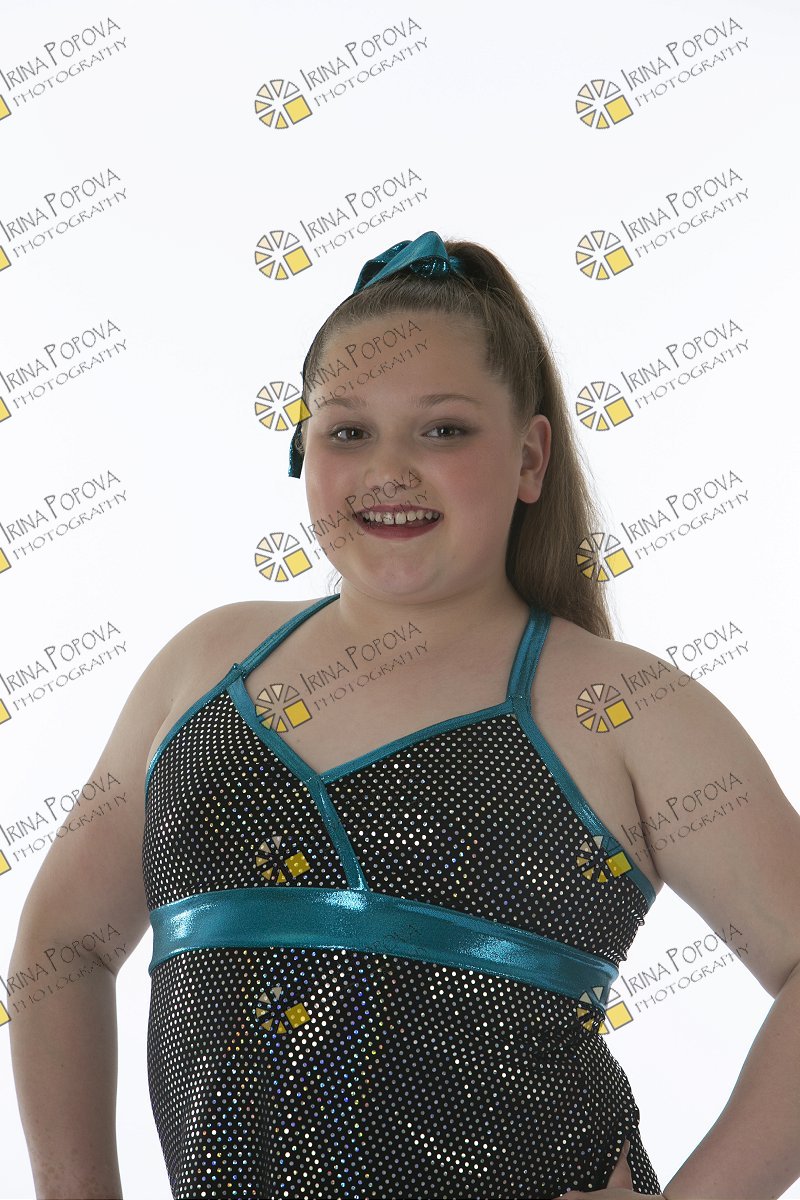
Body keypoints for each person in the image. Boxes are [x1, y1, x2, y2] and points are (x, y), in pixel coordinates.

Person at [8, 232, 800, 1200]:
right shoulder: (204, 669)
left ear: (529, 457)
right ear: (303, 448)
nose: (388, 469)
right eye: (348, 432)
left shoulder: (616, 705)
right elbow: (63, 946)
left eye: (443, 431)